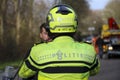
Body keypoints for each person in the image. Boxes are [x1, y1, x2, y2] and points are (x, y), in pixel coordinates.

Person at [18, 4, 100, 80]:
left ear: (49, 27)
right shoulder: (89, 50)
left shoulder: (38, 51)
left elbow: (23, 74)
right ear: (75, 25)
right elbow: (94, 71)